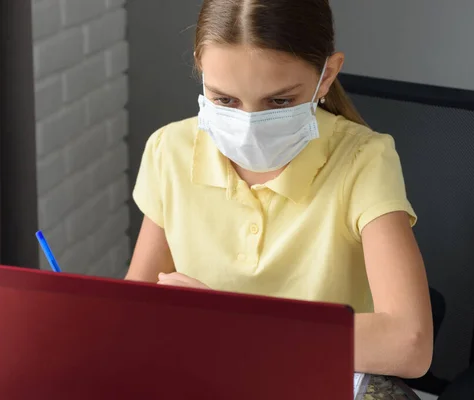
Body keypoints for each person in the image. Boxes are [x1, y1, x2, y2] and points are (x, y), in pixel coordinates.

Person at [126, 0, 433, 379]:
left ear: (326, 75)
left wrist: (229, 324)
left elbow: (410, 344)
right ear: (201, 66)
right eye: (225, 100)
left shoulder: (363, 161)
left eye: (279, 101)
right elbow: (134, 310)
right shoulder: (169, 151)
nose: (249, 126)